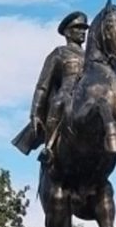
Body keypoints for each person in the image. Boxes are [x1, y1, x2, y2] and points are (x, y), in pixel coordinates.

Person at [14, 11, 89, 163]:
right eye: (78, 28)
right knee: (59, 103)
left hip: (87, 100)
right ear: (67, 32)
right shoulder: (59, 53)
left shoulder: (92, 56)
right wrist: (35, 113)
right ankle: (49, 147)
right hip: (66, 97)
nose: (83, 31)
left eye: (84, 28)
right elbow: (43, 86)